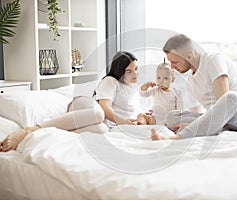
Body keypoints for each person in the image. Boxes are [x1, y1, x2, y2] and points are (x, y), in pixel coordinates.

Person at [0, 51, 139, 152]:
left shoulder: (133, 90)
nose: (135, 74)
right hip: (85, 105)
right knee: (99, 115)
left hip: (101, 123)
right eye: (129, 71)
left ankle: (35, 138)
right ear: (120, 71)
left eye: (136, 69)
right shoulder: (111, 81)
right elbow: (106, 109)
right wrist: (125, 122)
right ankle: (32, 129)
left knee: (102, 130)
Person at [151, 34, 237, 140]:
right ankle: (215, 128)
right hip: (223, 120)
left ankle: (178, 137)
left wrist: (192, 128)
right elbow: (196, 111)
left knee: (230, 97)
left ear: (189, 56)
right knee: (173, 117)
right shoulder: (190, 81)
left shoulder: (212, 59)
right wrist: (195, 123)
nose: (172, 67)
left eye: (175, 62)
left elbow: (224, 100)